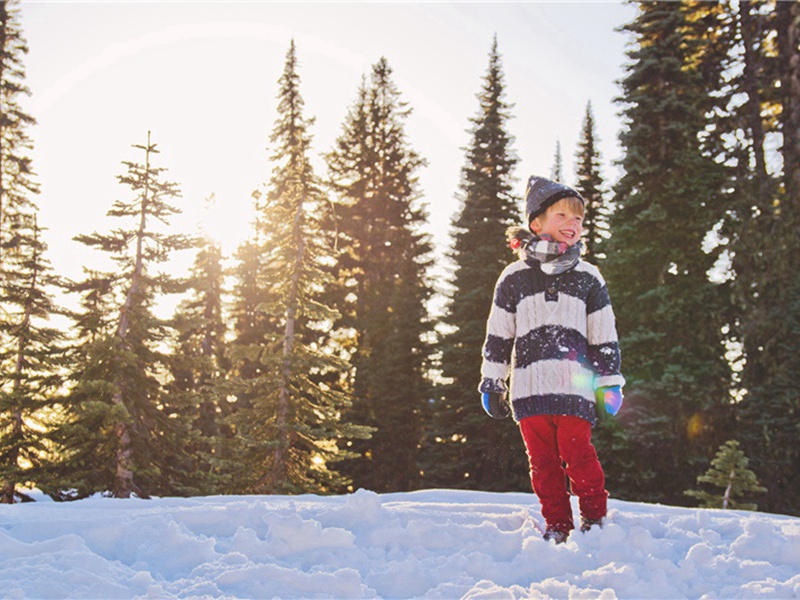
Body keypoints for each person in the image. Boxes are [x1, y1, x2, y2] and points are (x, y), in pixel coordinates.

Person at [479, 175, 625, 544]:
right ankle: (558, 525)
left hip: (573, 387)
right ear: (536, 223)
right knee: (543, 465)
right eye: (562, 216)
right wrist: (492, 380)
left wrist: (608, 381)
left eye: (578, 219)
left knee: (580, 456)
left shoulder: (589, 278)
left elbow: (603, 334)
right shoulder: (513, 277)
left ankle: (595, 520)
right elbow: (499, 334)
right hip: (528, 391)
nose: (572, 225)